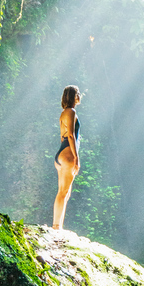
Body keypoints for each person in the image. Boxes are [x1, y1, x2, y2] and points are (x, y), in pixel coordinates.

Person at [53, 85, 81, 230]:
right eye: (78, 94)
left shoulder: (63, 113)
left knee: (65, 192)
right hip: (68, 154)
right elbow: (71, 135)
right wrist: (76, 157)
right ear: (73, 96)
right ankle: (56, 226)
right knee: (63, 192)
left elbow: (62, 136)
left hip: (62, 153)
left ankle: (58, 226)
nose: (79, 96)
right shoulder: (71, 111)